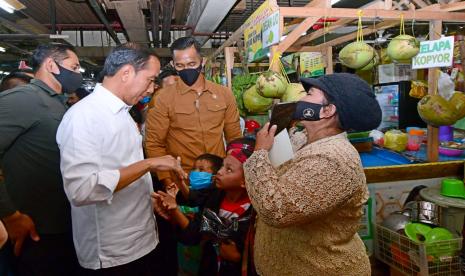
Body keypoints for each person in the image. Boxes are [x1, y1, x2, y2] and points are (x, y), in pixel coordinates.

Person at [56, 43, 185, 274]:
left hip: (140, 236)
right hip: (114, 252)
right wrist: (149, 163)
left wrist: (147, 198)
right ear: (126, 73)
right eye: (150, 79)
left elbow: (121, 168)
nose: (152, 88)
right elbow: (81, 190)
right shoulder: (84, 117)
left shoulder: (123, 112)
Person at [243, 73, 382, 276]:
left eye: (309, 93)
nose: (300, 99)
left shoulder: (333, 159)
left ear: (327, 110)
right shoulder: (303, 138)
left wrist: (259, 154)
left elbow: (276, 210)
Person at [0, 43, 82, 275]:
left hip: (59, 224)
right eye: (74, 67)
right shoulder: (23, 99)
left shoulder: (57, 101)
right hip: (34, 228)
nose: (77, 74)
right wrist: (9, 214)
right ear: (50, 65)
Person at [145, 36, 242, 191]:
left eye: (192, 64)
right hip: (182, 180)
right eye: (180, 65)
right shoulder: (162, 98)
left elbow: (235, 139)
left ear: (202, 61)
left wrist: (235, 173)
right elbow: (155, 145)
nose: (187, 69)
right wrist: (168, 182)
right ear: (173, 65)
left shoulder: (224, 94)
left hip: (219, 178)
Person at [153, 138, 256, 276]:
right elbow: (194, 233)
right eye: (222, 166)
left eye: (229, 169)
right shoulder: (214, 197)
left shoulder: (254, 211)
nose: (220, 172)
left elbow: (234, 255)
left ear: (245, 181)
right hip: (210, 266)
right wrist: (174, 209)